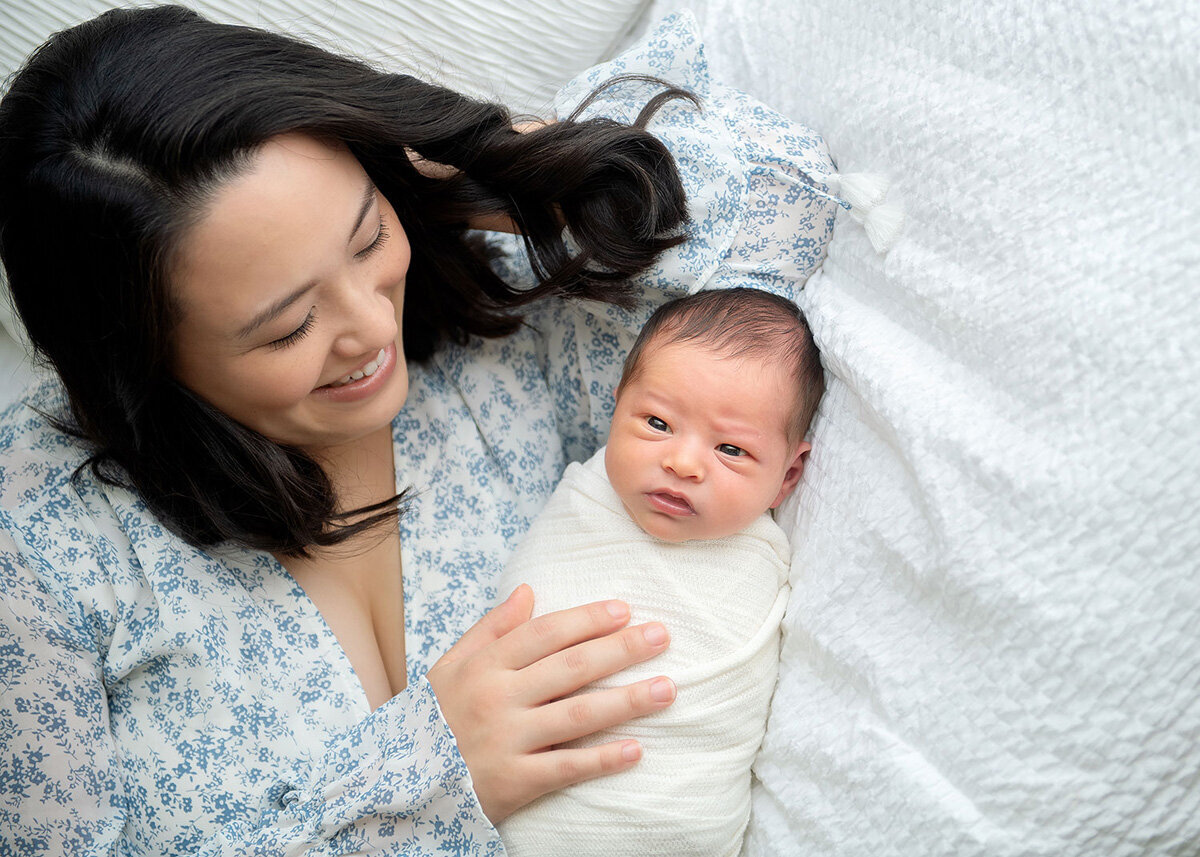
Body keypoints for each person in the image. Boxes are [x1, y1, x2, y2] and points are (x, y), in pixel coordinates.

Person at [0, 6, 836, 854]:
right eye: (289, 326)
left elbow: (790, 208)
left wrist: (485, 165)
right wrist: (429, 785)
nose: (370, 328)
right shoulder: (34, 544)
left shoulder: (491, 337)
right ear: (141, 359)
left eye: (366, 238)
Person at [495, 288, 822, 857]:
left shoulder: (762, 556)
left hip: (672, 816)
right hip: (521, 806)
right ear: (617, 405)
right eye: (656, 422)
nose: (683, 462)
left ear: (789, 475)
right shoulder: (584, 498)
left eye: (731, 450)